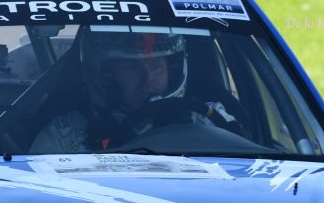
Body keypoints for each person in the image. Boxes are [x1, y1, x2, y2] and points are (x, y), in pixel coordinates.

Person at [30, 28, 238, 153]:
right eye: (132, 68)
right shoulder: (67, 134)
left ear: (173, 70)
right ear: (107, 76)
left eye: (156, 66)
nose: (147, 78)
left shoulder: (208, 120)